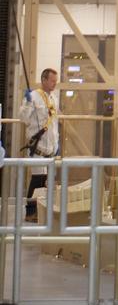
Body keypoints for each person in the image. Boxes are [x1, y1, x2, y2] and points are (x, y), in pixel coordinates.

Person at [20, 68, 60, 221]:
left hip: (51, 147)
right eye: (52, 81)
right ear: (44, 80)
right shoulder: (34, 97)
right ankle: (30, 212)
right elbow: (23, 117)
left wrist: (57, 143)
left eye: (55, 81)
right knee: (37, 179)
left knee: (47, 181)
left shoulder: (54, 98)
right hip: (38, 146)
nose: (54, 83)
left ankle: (42, 211)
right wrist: (28, 103)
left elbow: (54, 122)